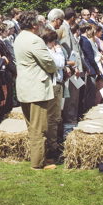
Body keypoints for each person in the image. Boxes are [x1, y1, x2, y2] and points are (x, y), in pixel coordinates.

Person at [14, 10, 58, 170]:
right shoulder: (35, 40)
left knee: (33, 127)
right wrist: (56, 68)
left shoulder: (19, 38)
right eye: (39, 23)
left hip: (25, 87)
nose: (42, 25)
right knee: (40, 128)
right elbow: (48, 62)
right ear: (33, 24)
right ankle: (38, 163)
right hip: (36, 88)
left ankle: (41, 158)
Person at [42, 27, 67, 163]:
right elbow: (59, 63)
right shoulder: (47, 51)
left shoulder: (48, 50)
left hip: (57, 83)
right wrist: (58, 51)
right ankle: (52, 147)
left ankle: (53, 144)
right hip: (53, 85)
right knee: (53, 117)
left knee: (55, 117)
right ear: (50, 41)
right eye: (54, 41)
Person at [58, 7, 83, 124]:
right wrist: (74, 67)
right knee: (71, 97)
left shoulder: (67, 28)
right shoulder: (64, 28)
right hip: (72, 68)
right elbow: (68, 50)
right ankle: (69, 121)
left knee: (75, 96)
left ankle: (72, 119)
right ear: (73, 18)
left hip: (74, 67)